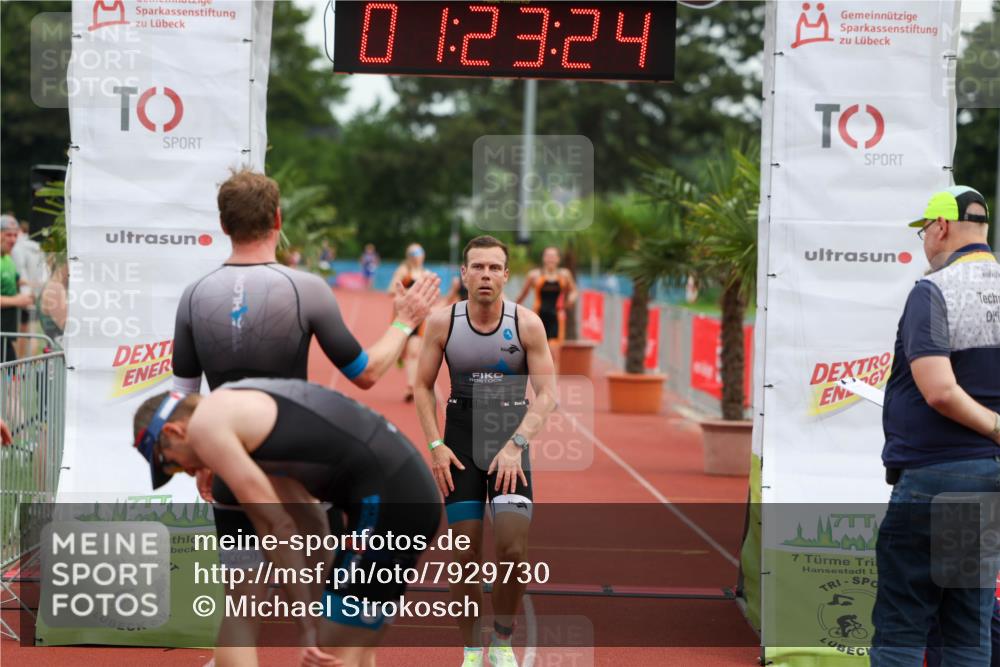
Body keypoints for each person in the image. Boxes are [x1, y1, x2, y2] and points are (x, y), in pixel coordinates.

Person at [171, 169, 440, 667]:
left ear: (223, 223)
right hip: (300, 468)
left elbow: (183, 397)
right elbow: (366, 372)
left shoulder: (193, 295)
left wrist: (208, 457)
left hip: (232, 467)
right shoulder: (305, 289)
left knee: (241, 607)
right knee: (336, 604)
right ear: (277, 219)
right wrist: (404, 322)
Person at [131, 379, 441, 667]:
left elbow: (277, 528)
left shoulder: (205, 425)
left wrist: (306, 629)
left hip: (387, 505)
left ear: (174, 431)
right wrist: (317, 608)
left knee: (328, 655)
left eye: (170, 464)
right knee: (351, 654)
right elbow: (311, 522)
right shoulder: (243, 410)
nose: (186, 471)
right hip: (405, 496)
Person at [871, 186, 1000, 667]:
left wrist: (994, 427)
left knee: (903, 626)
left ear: (942, 226)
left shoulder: (936, 289)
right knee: (967, 629)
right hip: (985, 480)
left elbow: (940, 391)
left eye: (925, 230)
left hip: (936, 476)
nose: (925, 240)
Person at [415, 235, 557, 667]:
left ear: (506, 275)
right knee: (464, 550)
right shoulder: (443, 323)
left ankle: (502, 640)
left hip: (508, 437)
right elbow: (421, 386)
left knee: (513, 549)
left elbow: (548, 393)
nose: (486, 275)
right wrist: (435, 445)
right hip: (458, 441)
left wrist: (517, 444)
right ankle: (472, 649)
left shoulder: (527, 323)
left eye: (494, 268)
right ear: (464, 273)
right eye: (478, 267)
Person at [515, 247, 577, 373]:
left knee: (554, 354)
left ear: (558, 259)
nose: (551, 259)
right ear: (543, 258)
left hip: (556, 318)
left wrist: (571, 298)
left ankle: (553, 387)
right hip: (538, 318)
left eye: (553, 256)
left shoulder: (564, 275)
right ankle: (539, 386)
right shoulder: (534, 275)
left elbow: (574, 291)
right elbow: (522, 295)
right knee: (536, 355)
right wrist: (512, 309)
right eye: (548, 256)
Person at [388, 243, 431, 402]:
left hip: (418, 319)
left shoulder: (426, 274)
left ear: (423, 255)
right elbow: (391, 290)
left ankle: (411, 386)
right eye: (413, 252)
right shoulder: (403, 271)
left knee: (414, 352)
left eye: (419, 252)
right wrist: (407, 294)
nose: (416, 255)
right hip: (402, 317)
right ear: (408, 255)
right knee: (402, 350)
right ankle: (400, 355)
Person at [1, 216, 32, 362]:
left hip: (6, 335)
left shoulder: (7, 259)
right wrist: (17, 300)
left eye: (15, 235)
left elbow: (15, 279)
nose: (13, 240)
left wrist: (36, 286)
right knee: (13, 378)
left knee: (12, 377)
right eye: (8, 234)